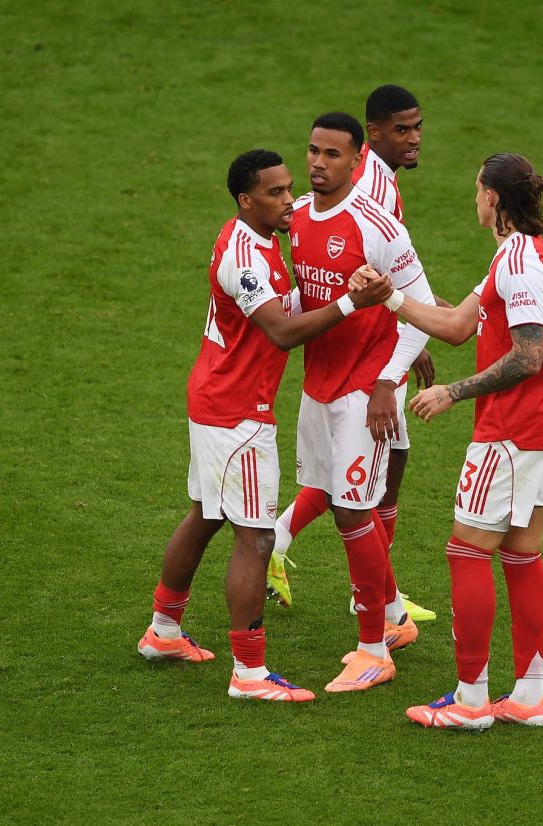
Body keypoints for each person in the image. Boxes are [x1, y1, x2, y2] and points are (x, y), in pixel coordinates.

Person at [135, 149, 392, 703]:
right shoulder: (246, 258)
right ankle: (249, 673)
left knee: (204, 516)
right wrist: (351, 302)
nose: (289, 201)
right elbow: (281, 331)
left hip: (215, 399)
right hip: (237, 414)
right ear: (245, 200)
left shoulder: (255, 240)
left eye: (288, 188)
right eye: (275, 193)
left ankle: (163, 631)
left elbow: (287, 305)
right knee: (253, 539)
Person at [354, 152, 543, 728]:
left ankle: (471, 700)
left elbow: (525, 357)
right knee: (523, 556)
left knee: (467, 550)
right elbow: (455, 327)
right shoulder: (517, 255)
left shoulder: (519, 265)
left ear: (494, 199)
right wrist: (391, 297)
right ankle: (527, 697)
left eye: (477, 189)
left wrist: (454, 391)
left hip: (514, 432)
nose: (473, 198)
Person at [266, 85, 437, 625]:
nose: (318, 163)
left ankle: (379, 634)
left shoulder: (377, 220)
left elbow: (419, 302)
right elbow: (295, 288)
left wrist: (390, 379)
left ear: (356, 158)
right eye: (313, 152)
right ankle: (385, 606)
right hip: (319, 383)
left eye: (332, 154)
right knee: (333, 493)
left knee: (353, 506)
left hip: (367, 384)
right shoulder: (294, 217)